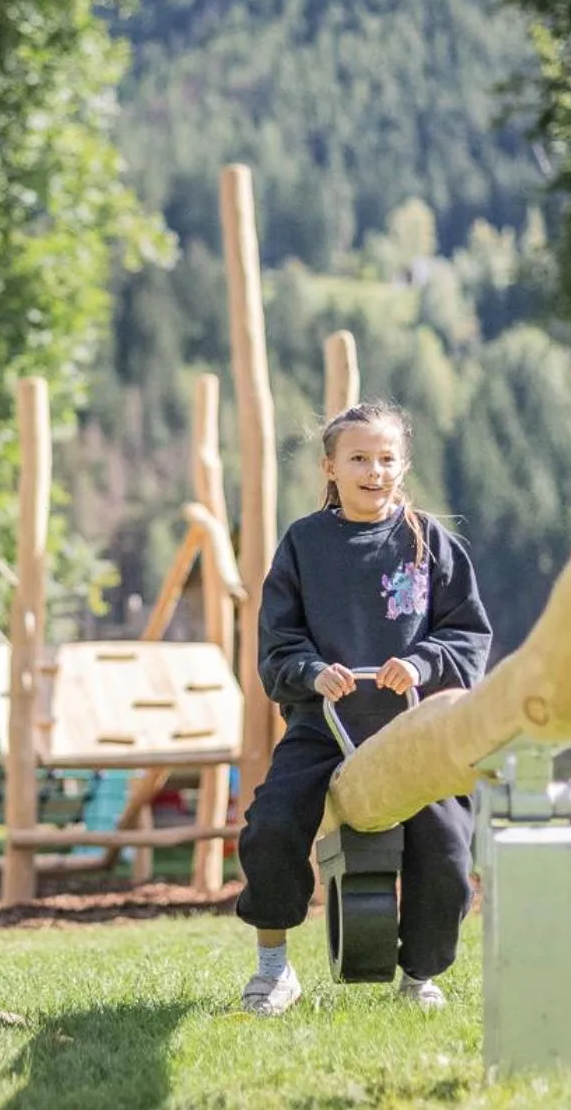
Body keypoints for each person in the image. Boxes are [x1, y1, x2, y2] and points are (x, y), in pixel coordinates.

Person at [234, 400, 493, 1016]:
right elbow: (278, 642)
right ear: (330, 467)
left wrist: (424, 662)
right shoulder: (303, 544)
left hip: (413, 727)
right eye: (358, 458)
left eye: (385, 458)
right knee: (271, 823)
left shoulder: (431, 543)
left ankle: (419, 975)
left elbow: (467, 634)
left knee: (447, 846)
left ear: (403, 465)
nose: (373, 471)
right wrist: (312, 672)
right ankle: (274, 968)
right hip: (323, 725)